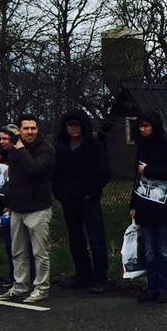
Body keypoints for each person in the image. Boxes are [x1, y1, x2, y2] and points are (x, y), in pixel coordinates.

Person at [0, 114, 55, 304]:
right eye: (26, 128)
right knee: (18, 251)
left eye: (33, 128)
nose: (30, 132)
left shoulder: (45, 149)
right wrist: (8, 201)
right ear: (19, 130)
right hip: (17, 208)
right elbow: (14, 178)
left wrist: (20, 149)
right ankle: (20, 285)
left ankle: (41, 288)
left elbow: (34, 169)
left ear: (38, 129)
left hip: (38, 207)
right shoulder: (14, 150)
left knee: (40, 252)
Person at [53, 110, 112, 292]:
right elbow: (55, 173)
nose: (74, 129)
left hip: (89, 199)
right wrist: (59, 193)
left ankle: (100, 277)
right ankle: (83, 274)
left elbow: (104, 172)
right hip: (69, 200)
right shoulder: (61, 147)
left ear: (83, 126)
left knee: (96, 239)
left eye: (77, 125)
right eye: (70, 125)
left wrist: (91, 192)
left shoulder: (94, 146)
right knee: (75, 238)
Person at [129, 113, 167, 304]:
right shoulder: (141, 147)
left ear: (155, 126)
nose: (143, 130)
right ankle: (152, 288)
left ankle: (165, 288)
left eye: (146, 126)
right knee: (149, 251)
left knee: (164, 251)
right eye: (140, 126)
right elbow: (137, 178)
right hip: (145, 206)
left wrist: (150, 170)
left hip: (164, 207)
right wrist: (133, 204)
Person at [0, 125, 25, 288]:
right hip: (0, 202)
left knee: (20, 243)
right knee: (8, 242)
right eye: (0, 138)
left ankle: (23, 277)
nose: (1, 141)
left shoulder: (19, 155)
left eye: (5, 138)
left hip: (16, 204)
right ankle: (12, 275)